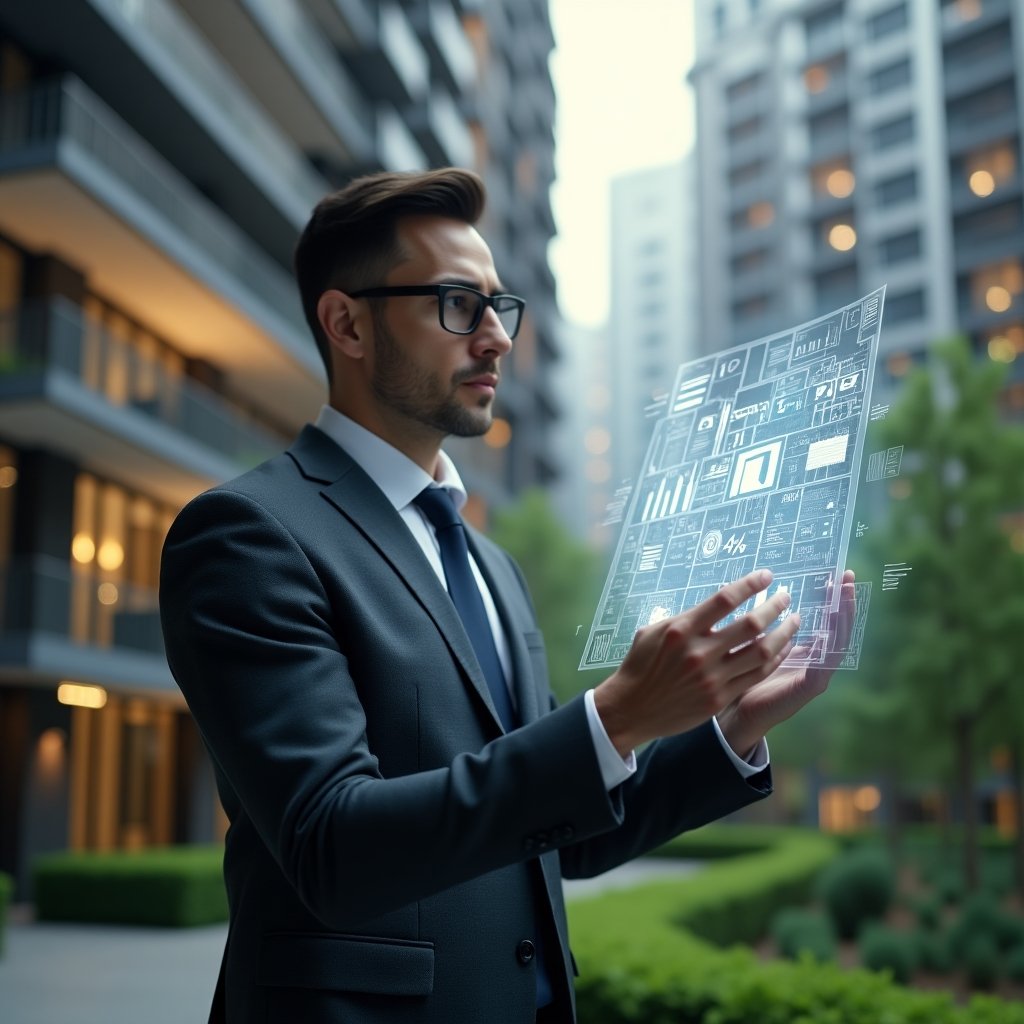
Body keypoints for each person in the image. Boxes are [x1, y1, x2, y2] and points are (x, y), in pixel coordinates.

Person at [159, 167, 854, 1024]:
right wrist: (617, 717)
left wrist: (735, 724)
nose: (495, 338)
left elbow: (569, 828)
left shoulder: (492, 566)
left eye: (499, 306)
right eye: (457, 304)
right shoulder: (247, 533)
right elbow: (331, 844)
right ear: (346, 323)